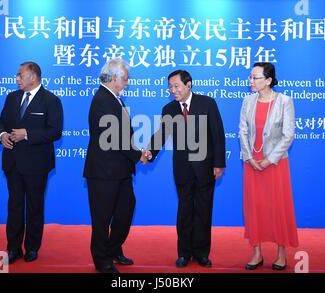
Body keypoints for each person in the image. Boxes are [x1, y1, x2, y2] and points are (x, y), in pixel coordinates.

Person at [145, 70, 226, 268]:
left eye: (176, 86)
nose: (173, 90)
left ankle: (201, 253)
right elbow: (162, 133)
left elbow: (217, 134)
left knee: (204, 210)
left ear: (188, 84)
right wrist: (150, 151)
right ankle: (184, 253)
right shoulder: (169, 109)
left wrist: (219, 163)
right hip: (182, 168)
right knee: (184, 211)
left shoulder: (207, 103)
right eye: (170, 87)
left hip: (205, 166)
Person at [83, 58, 148, 273]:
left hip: (120, 171)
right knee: (101, 218)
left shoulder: (114, 99)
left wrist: (136, 153)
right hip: (103, 172)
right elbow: (114, 138)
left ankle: (113, 249)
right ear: (113, 78)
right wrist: (138, 155)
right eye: (126, 79)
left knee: (125, 211)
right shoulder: (102, 99)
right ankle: (102, 260)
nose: (128, 83)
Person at [0, 61, 63, 264]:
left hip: (37, 164)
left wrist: (28, 134)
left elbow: (55, 131)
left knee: (34, 206)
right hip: (13, 162)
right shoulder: (12, 98)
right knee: (14, 205)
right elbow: (1, 122)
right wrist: (3, 135)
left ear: (33, 76)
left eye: (20, 75)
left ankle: (32, 247)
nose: (17, 79)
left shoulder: (51, 100)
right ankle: (13, 248)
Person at [239, 62, 299, 271]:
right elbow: (242, 131)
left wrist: (269, 159)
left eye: (255, 77)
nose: (251, 81)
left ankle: (281, 254)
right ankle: (256, 254)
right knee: (254, 209)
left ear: (269, 80)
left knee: (278, 209)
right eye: (250, 77)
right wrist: (250, 157)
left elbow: (288, 134)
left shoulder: (284, 101)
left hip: (274, 165)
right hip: (252, 165)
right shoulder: (248, 101)